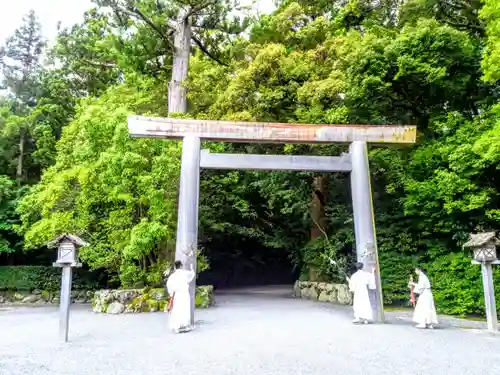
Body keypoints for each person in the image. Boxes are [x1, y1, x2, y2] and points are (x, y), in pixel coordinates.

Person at [165, 259, 195, 334]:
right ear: (181, 266)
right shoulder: (184, 273)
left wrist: (171, 294)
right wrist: (191, 268)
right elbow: (192, 274)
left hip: (177, 294)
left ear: (175, 267)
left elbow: (169, 285)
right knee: (185, 308)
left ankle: (176, 327)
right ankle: (184, 325)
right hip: (184, 293)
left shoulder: (173, 276)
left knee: (177, 309)